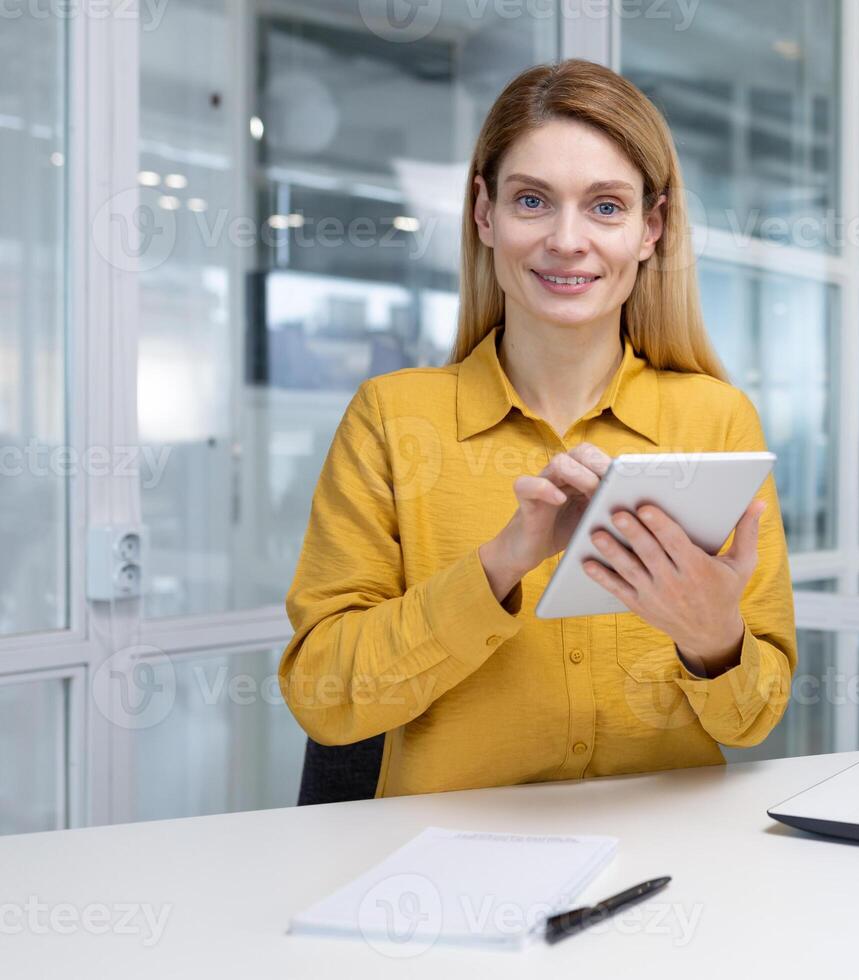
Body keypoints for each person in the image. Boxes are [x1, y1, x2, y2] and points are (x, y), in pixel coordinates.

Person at [278, 59, 797, 799]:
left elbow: (755, 718)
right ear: (485, 215)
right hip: (447, 868)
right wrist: (501, 563)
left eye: (606, 207)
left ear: (650, 229)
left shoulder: (715, 419)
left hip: (666, 864)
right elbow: (324, 699)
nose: (566, 239)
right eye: (532, 201)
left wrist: (713, 636)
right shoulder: (392, 421)